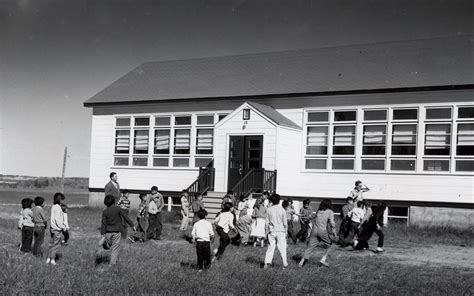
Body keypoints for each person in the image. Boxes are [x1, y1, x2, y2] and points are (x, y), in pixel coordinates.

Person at [299, 199, 337, 268]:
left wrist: (306, 218)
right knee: (330, 245)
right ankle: (323, 259)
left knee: (310, 247)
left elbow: (313, 217)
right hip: (322, 231)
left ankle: (301, 262)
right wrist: (334, 232)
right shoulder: (330, 212)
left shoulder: (319, 210)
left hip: (314, 231)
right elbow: (332, 222)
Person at [99, 195, 135, 265]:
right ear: (114, 202)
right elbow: (125, 217)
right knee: (115, 248)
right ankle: (112, 264)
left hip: (108, 232)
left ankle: (106, 243)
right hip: (116, 232)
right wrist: (132, 225)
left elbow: (103, 223)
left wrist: (102, 234)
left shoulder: (105, 211)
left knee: (108, 245)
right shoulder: (117, 209)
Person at [264, 193, 288, 269]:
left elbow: (266, 222)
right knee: (282, 248)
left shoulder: (268, 210)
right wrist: (286, 231)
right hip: (281, 231)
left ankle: (266, 263)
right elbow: (285, 223)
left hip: (272, 231)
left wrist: (266, 232)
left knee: (270, 247)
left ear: (271, 201)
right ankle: (284, 264)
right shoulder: (282, 210)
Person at [47, 193, 68, 265]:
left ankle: (48, 258)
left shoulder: (53, 206)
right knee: (56, 245)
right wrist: (63, 227)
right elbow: (57, 219)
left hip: (52, 228)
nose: (63, 201)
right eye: (62, 199)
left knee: (52, 244)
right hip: (57, 229)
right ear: (59, 199)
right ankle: (52, 259)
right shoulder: (58, 208)